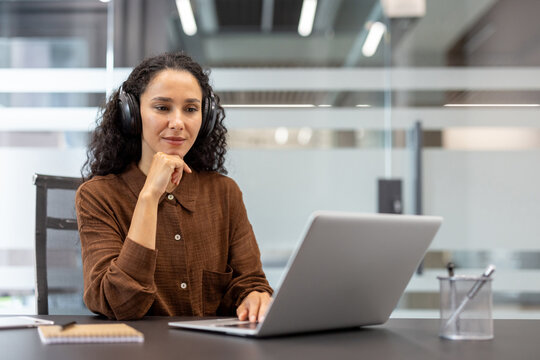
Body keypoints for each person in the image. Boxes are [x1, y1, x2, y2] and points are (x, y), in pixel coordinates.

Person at [75, 52, 273, 321]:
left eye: (191, 109)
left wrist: (255, 297)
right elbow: (118, 302)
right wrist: (149, 196)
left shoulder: (224, 193)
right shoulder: (97, 196)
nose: (178, 123)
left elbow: (250, 283)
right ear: (131, 114)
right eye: (162, 107)